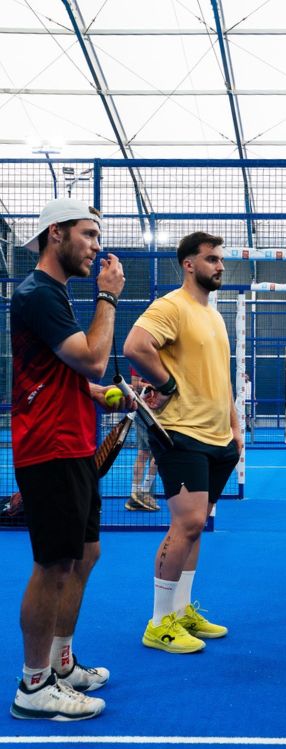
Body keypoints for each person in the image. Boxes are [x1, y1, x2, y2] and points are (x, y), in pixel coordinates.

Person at [10, 198, 125, 720]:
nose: (97, 246)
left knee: (84, 556)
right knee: (53, 565)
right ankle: (33, 688)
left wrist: (105, 395)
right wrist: (108, 297)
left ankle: (61, 663)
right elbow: (93, 356)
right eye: (88, 234)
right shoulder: (38, 293)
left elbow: (76, 373)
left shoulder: (54, 295)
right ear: (55, 233)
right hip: (50, 447)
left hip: (75, 443)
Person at [124, 232, 241, 653]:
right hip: (182, 433)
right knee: (185, 525)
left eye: (220, 259)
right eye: (211, 259)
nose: (220, 266)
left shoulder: (214, 314)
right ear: (189, 264)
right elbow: (136, 345)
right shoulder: (171, 305)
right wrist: (166, 382)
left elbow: (221, 376)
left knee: (196, 529)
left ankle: (182, 609)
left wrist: (235, 427)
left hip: (218, 437)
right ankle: (159, 623)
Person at [125, 368, 159, 512]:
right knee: (145, 454)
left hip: (162, 411)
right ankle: (138, 494)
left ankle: (140, 494)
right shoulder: (139, 356)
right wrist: (150, 387)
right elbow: (136, 384)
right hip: (145, 410)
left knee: (156, 455)